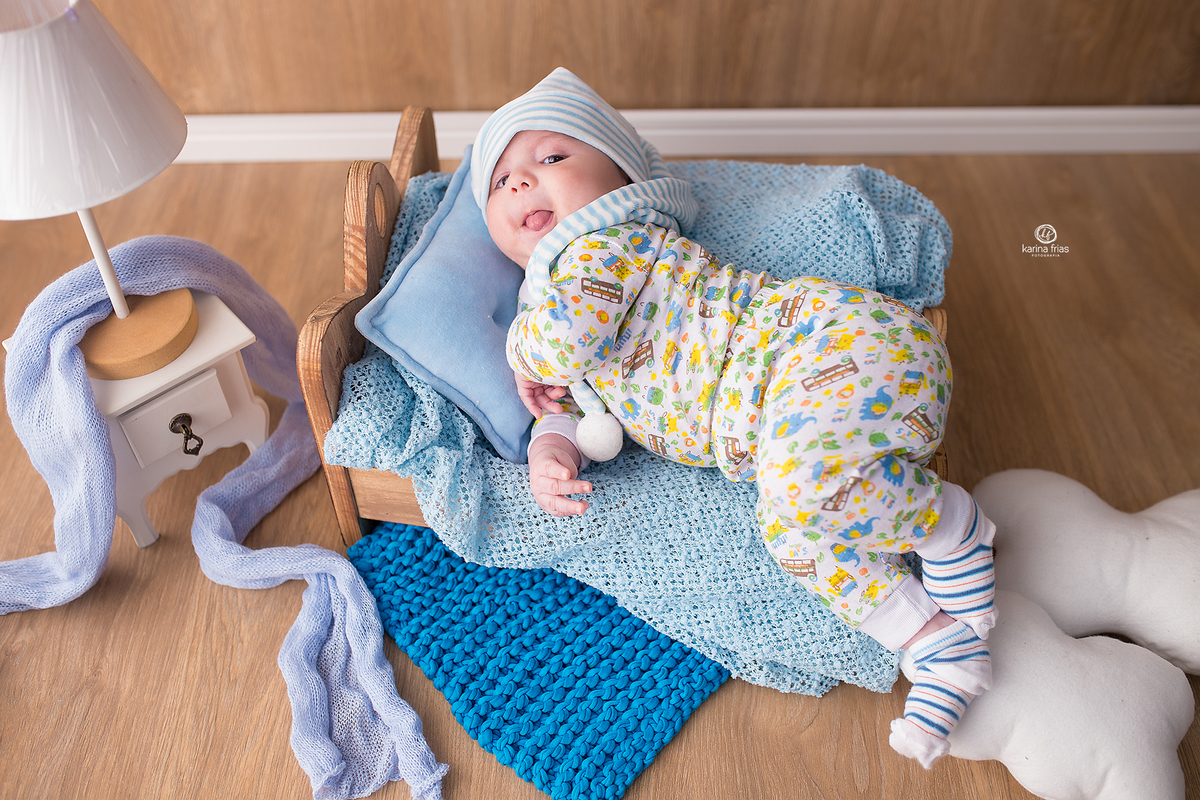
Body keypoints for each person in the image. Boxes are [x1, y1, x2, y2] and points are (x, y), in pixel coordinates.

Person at [473, 67, 996, 769]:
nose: (520, 182)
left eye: (551, 156)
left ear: (619, 180)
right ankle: (933, 643)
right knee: (790, 527)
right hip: (798, 418)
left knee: (803, 484)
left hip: (826, 347)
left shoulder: (609, 243)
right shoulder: (548, 302)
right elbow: (570, 397)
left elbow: (568, 339)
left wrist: (521, 349)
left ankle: (949, 525)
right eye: (499, 182)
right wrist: (551, 448)